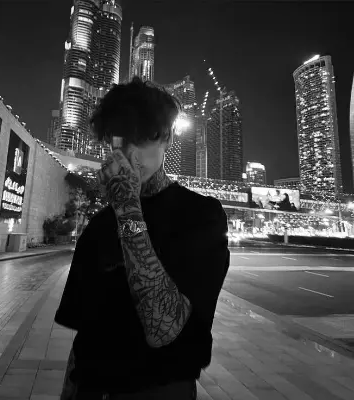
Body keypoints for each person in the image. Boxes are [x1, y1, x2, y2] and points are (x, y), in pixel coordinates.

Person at [54, 77, 230, 400]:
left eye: (143, 137)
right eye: (120, 140)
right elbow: (84, 340)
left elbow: (163, 328)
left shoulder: (201, 215)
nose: (131, 154)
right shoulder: (99, 227)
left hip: (162, 390)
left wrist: (127, 208)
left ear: (167, 138)